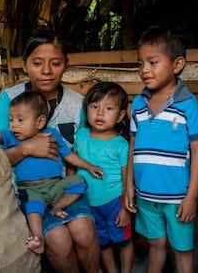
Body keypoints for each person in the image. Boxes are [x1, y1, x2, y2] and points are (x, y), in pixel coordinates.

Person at [0, 29, 100, 273]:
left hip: (61, 187)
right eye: (37, 63)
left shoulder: (77, 103)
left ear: (66, 64)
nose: (46, 71)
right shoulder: (10, 100)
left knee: (84, 231)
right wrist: (27, 148)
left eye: (55, 63)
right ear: (25, 64)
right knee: (59, 241)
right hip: (25, 192)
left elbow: (78, 152)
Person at [0, 90, 103, 255]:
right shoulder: (12, 137)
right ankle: (38, 239)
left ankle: (58, 206)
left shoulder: (52, 135)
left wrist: (89, 166)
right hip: (32, 191)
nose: (14, 125)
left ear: (40, 121)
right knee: (33, 209)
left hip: (56, 185)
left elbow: (69, 155)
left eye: (20, 120)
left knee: (79, 181)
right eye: (11, 120)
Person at [124, 25, 198, 273]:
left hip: (177, 197)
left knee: (182, 249)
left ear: (177, 64)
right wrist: (129, 186)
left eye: (153, 62)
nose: (144, 70)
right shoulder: (138, 103)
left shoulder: (188, 105)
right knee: (156, 243)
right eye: (140, 63)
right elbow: (133, 145)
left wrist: (191, 197)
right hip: (145, 195)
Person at [74, 82, 134, 273]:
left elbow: (127, 177)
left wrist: (125, 207)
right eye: (94, 107)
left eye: (108, 108)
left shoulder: (121, 145)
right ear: (86, 110)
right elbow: (71, 164)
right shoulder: (81, 136)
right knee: (102, 243)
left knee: (123, 241)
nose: (100, 113)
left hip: (115, 201)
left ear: (120, 116)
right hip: (88, 203)